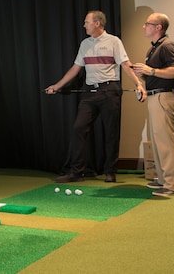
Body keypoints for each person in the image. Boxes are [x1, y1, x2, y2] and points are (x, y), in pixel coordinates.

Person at [45, 11, 146, 183]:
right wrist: (57, 86)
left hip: (110, 90)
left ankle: (110, 171)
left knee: (111, 133)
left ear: (97, 23)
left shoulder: (114, 41)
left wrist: (138, 83)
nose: (84, 25)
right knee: (78, 128)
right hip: (89, 92)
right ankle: (76, 172)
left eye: (87, 22)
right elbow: (75, 69)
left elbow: (125, 65)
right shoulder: (85, 44)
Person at [133, 13, 174, 197]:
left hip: (165, 97)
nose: (144, 26)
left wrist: (151, 70)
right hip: (155, 97)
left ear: (158, 27)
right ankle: (164, 180)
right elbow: (155, 74)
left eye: (147, 24)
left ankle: (173, 185)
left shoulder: (168, 45)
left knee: (167, 142)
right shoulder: (153, 49)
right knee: (157, 142)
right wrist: (144, 76)